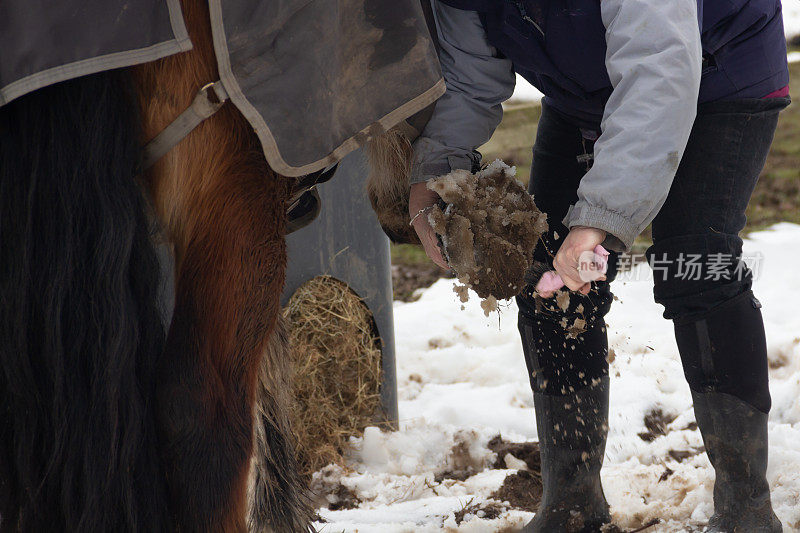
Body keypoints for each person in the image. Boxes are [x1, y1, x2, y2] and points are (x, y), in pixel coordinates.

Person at [408, 1, 790, 531]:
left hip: (717, 68)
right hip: (588, 90)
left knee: (697, 261)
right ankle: (571, 501)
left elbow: (659, 67)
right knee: (547, 271)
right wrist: (437, 168)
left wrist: (602, 216)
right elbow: (471, 81)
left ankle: (746, 507)